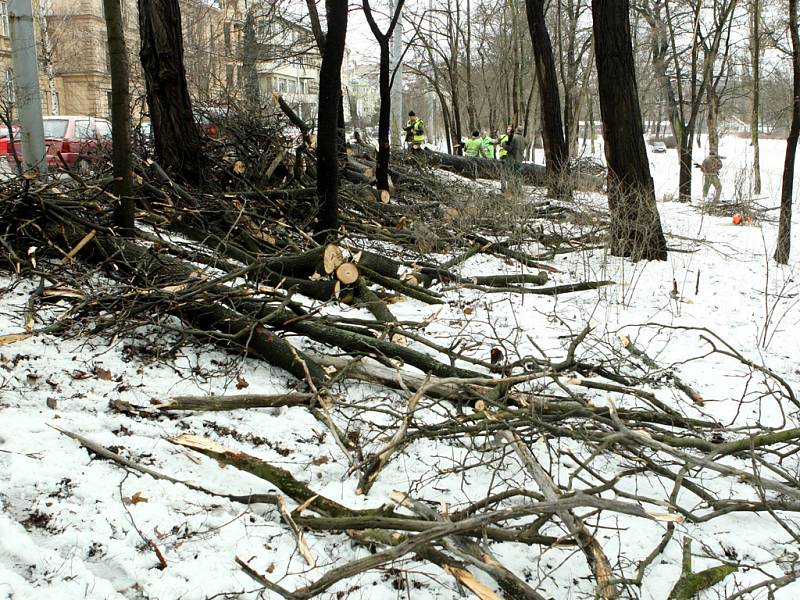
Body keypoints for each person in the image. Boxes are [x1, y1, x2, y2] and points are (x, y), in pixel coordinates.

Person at [501, 126, 527, 197]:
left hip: (511, 160)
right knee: (517, 176)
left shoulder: (513, 137)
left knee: (509, 176)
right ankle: (518, 192)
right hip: (519, 160)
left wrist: (503, 144)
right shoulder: (524, 140)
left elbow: (509, 148)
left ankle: (509, 192)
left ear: (516, 130)